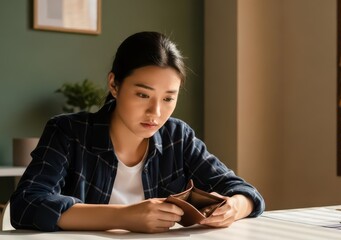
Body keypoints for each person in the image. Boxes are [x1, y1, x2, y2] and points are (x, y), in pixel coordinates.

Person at [10, 31, 265, 233]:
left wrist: (236, 207)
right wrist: (124, 216)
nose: (155, 112)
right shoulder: (68, 132)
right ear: (114, 84)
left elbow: (244, 191)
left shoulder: (178, 137)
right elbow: (26, 205)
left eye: (168, 98)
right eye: (143, 94)